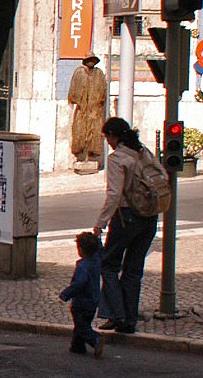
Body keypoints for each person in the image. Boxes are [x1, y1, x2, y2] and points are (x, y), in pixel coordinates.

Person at [93, 117, 166, 335]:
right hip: (149, 217)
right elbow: (162, 175)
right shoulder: (144, 152)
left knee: (108, 265)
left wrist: (100, 224)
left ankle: (117, 314)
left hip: (127, 217)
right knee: (133, 270)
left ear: (113, 136)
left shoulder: (117, 158)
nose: (108, 142)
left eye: (107, 137)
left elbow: (114, 194)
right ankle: (129, 320)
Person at [58, 230, 105, 358]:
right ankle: (77, 346)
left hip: (82, 302)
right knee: (84, 323)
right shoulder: (97, 260)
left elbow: (78, 284)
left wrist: (65, 295)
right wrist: (98, 239)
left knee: (81, 326)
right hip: (93, 300)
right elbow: (101, 251)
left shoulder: (83, 266)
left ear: (80, 250)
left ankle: (95, 339)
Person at [65, 54, 108, 169]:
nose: (91, 62)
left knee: (94, 133)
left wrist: (98, 103)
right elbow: (73, 90)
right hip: (82, 110)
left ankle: (92, 156)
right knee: (79, 132)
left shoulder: (99, 74)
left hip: (94, 111)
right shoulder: (79, 72)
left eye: (93, 60)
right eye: (89, 60)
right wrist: (79, 101)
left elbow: (103, 92)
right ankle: (80, 156)